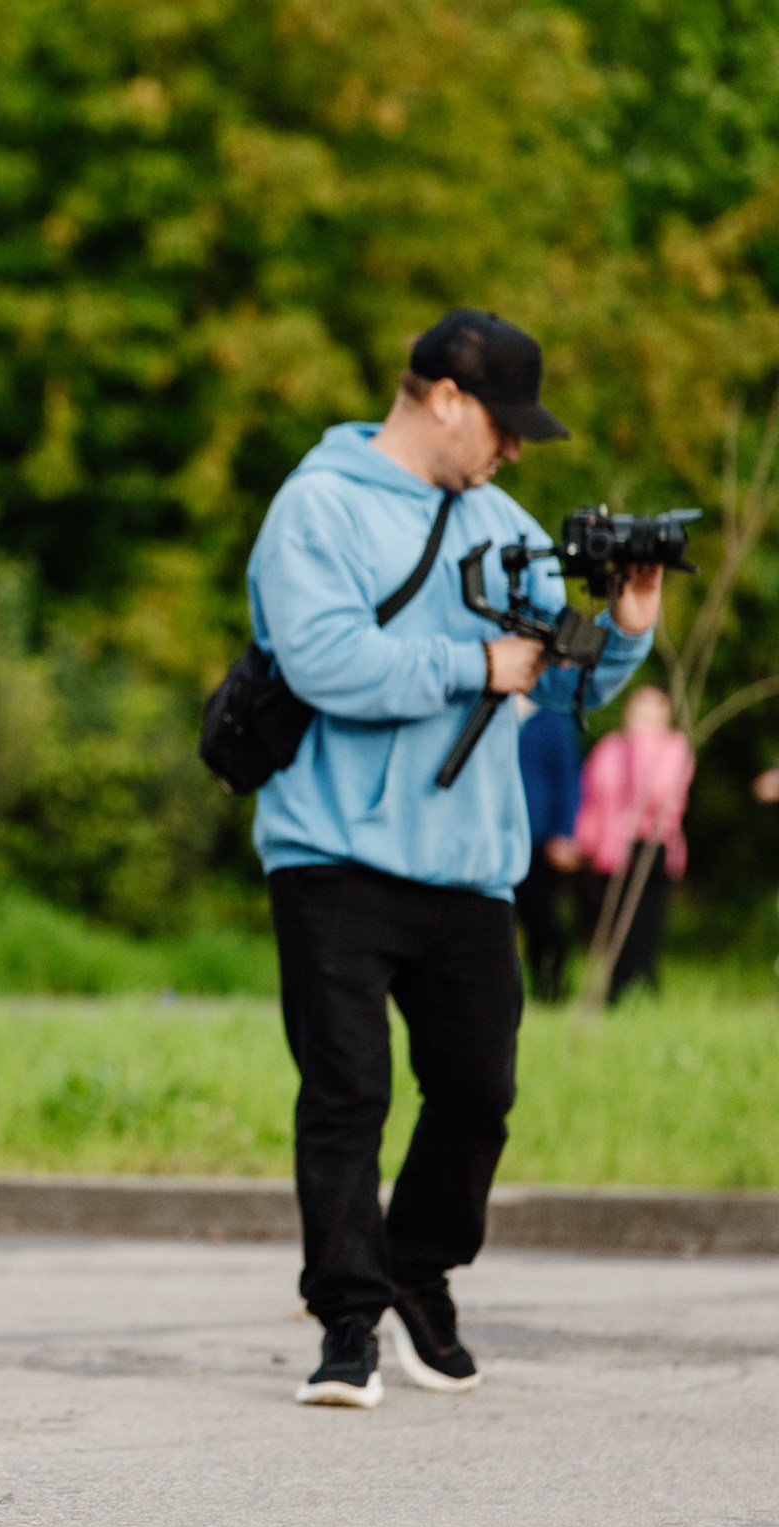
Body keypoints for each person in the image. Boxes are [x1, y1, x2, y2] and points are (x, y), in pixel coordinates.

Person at [247, 308, 661, 1409]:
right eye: (505, 424)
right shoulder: (317, 507)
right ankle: (347, 1322)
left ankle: (419, 1271)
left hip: (472, 861)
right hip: (333, 850)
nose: (515, 449)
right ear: (442, 398)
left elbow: (561, 688)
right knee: (347, 1095)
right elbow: (328, 662)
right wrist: (475, 661)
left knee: (479, 1091)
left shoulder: (510, 524)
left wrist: (623, 627)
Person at [573, 685, 693, 1002]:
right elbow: (592, 798)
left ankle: (642, 993)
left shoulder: (674, 748)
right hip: (610, 852)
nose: (645, 721)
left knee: (643, 927)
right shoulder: (609, 748)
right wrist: (583, 840)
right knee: (611, 927)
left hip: (650, 846)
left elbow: (656, 796)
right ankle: (614, 992)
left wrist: (642, 745)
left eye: (653, 714)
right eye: (640, 713)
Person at [513, 696, 585, 1000]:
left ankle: (551, 991)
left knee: (542, 919)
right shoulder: (489, 708)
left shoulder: (553, 718)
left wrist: (564, 832)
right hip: (496, 834)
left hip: (540, 837)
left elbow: (567, 778)